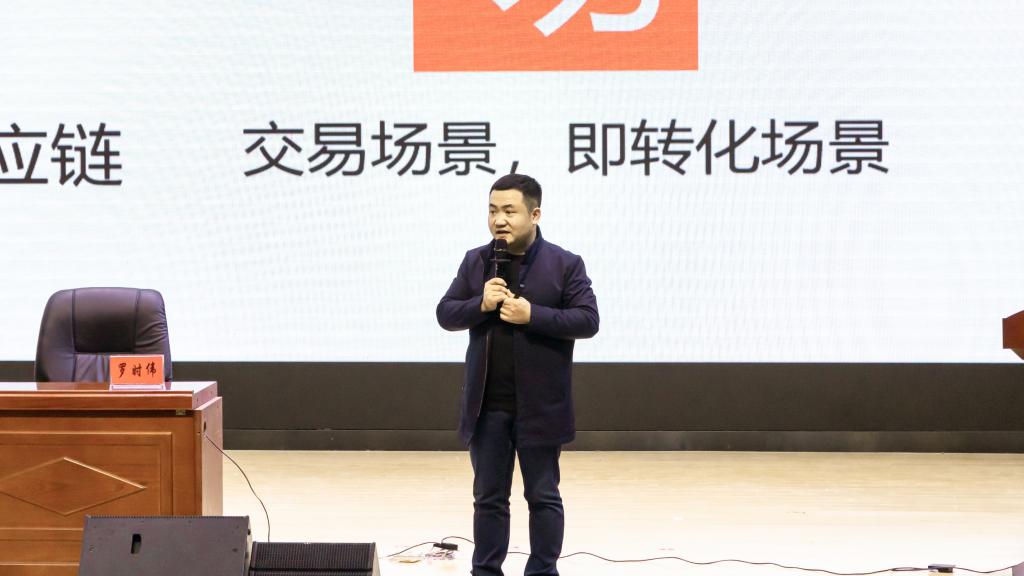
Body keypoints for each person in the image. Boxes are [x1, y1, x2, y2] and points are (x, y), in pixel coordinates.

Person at [436, 173, 599, 576]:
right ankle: (485, 571)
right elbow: (446, 313)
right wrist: (479, 304)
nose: (499, 220)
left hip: (541, 407)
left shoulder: (565, 263)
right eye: (492, 211)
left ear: (535, 214)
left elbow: (587, 319)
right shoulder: (477, 261)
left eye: (509, 211)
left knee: (543, 496)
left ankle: (542, 570)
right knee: (488, 499)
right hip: (487, 406)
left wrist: (533, 315)